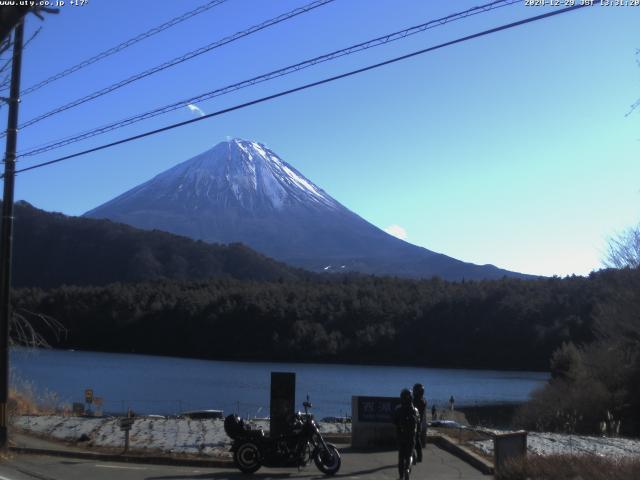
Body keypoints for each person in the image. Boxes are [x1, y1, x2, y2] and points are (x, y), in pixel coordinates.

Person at [393, 388, 419, 480]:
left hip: (401, 435)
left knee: (401, 456)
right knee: (409, 455)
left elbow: (394, 422)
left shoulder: (398, 409)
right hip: (411, 436)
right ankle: (407, 469)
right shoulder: (415, 410)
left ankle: (401, 476)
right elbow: (418, 422)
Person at [411, 383, 427, 463]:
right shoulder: (423, 400)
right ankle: (419, 457)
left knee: (412, 441)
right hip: (419, 424)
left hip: (413, 423)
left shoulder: (417, 401)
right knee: (417, 441)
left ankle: (413, 457)